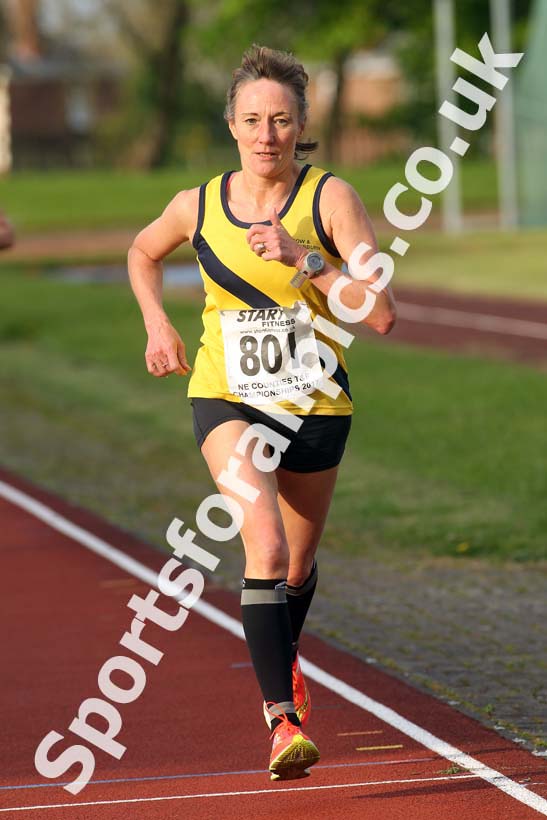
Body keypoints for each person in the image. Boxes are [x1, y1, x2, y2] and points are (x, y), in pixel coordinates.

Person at [128, 44, 396, 781]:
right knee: (266, 551)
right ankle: (282, 722)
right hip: (227, 397)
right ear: (230, 125)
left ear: (302, 124)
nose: (265, 134)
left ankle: (284, 658)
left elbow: (379, 314)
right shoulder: (197, 205)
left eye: (280, 120)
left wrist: (303, 258)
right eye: (251, 119)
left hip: (315, 403)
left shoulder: (330, 200)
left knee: (298, 567)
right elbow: (141, 252)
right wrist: (158, 323)